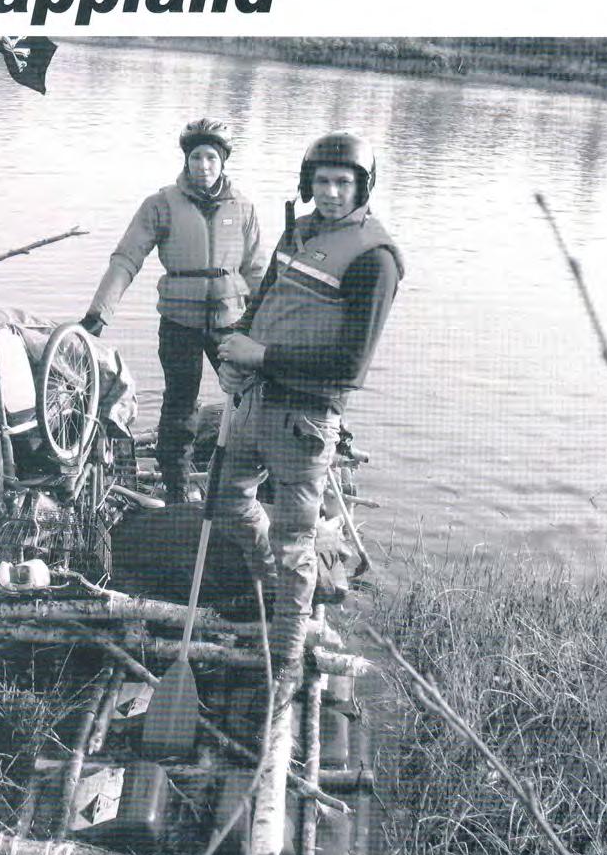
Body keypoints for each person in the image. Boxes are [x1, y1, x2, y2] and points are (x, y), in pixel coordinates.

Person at [214, 131, 404, 697]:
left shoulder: (375, 259)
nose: (332, 192)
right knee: (228, 504)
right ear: (308, 183)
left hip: (305, 420)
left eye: (344, 183)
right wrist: (233, 356)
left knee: (295, 541)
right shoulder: (296, 232)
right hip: (253, 399)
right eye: (322, 181)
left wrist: (261, 355)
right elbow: (261, 305)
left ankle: (288, 653)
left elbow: (350, 365)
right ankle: (277, 588)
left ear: (363, 188)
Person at [81, 118, 264, 502]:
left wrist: (269, 327)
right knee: (181, 404)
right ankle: (177, 490)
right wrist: (99, 313)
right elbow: (127, 258)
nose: (203, 166)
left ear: (223, 161)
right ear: (186, 159)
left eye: (211, 157)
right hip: (180, 322)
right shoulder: (161, 205)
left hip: (231, 323)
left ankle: (252, 482)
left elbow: (257, 271)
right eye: (196, 157)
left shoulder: (243, 208)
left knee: (251, 398)